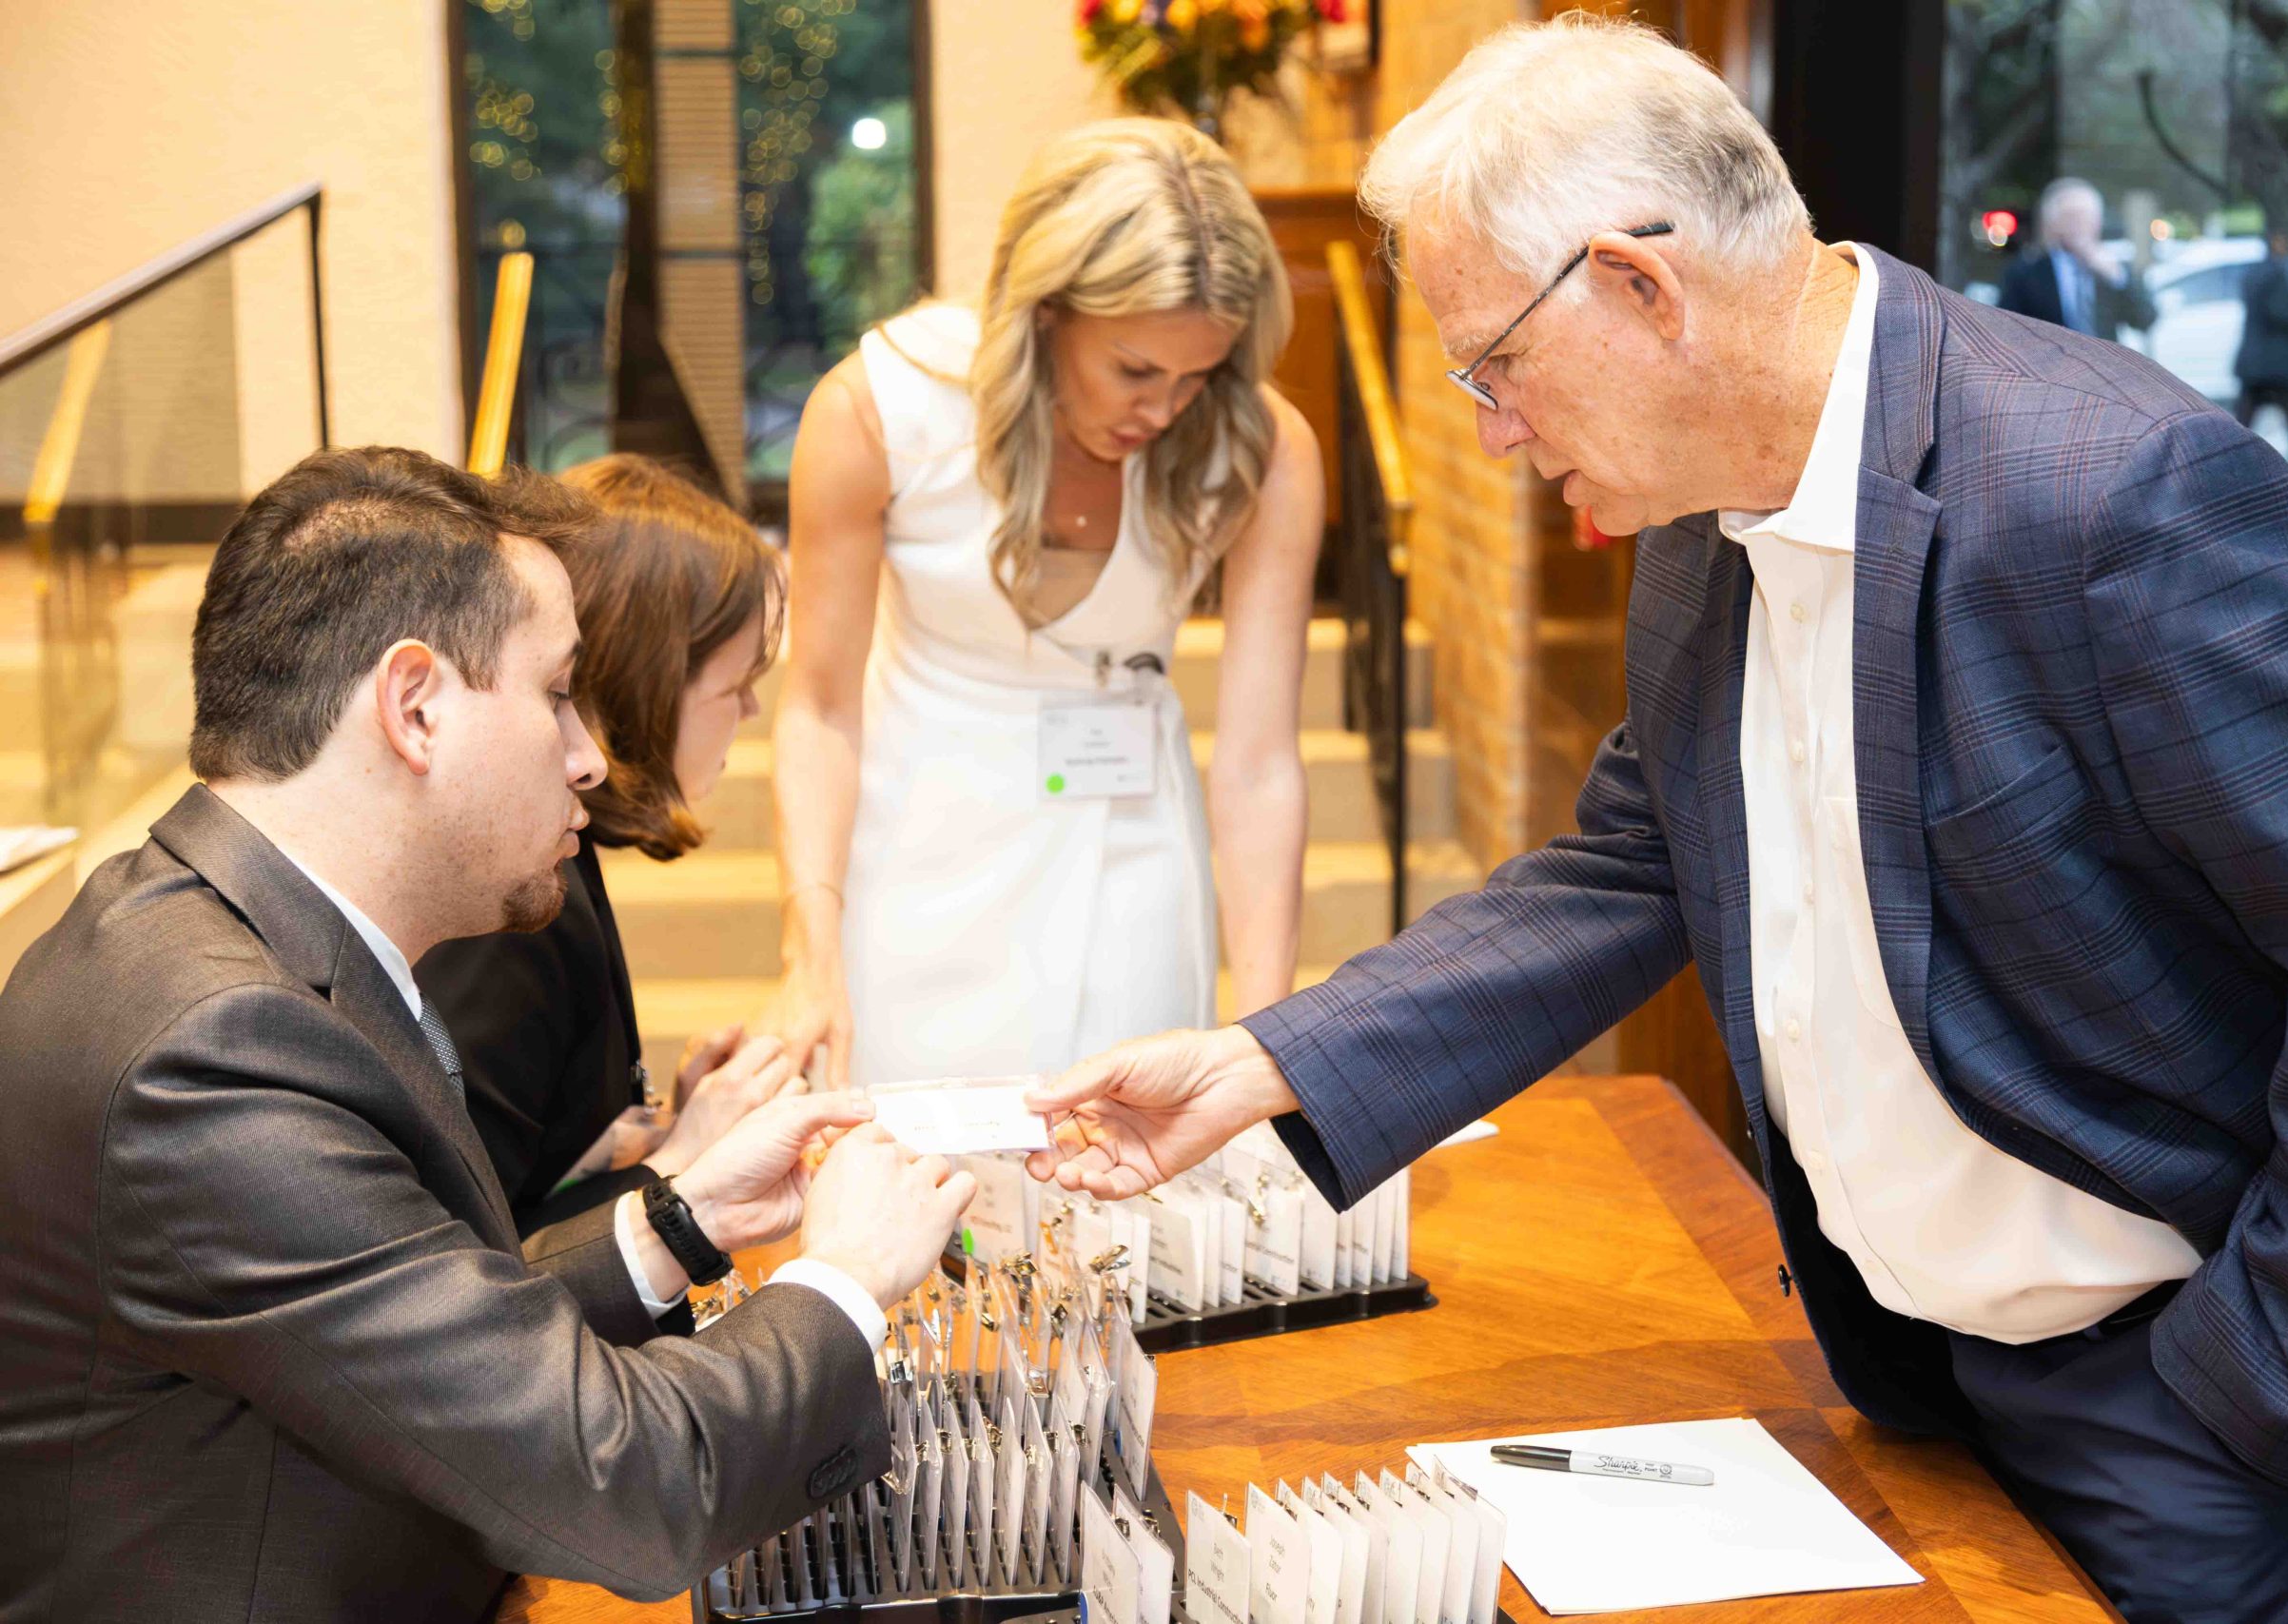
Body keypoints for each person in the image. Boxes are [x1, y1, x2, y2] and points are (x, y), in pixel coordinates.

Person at [1024, 18, 2288, 1623]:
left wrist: (2256, 1386)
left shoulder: (2121, 496)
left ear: (1641, 286)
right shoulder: (1702, 528)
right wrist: (1263, 1061)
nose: (1492, 430)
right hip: (1916, 1374)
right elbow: (1632, 862)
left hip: (2190, 1414)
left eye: (1495, 365)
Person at [0, 447, 976, 1622]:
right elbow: (629, 1489)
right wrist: (846, 1277)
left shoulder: (237, 941)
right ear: (414, 707)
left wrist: (680, 1220)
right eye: (557, 693)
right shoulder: (211, 1056)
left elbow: (430, 1323)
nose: (590, 756)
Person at [764, 117, 1324, 1087]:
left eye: (1197, 377)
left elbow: (1258, 762)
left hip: (1130, 837)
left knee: (1128, 1141)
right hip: (918, 841)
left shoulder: (1262, 448)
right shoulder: (879, 411)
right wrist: (809, 946)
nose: (1164, 410)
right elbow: (818, 710)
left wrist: (1264, 1040)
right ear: (1047, 312)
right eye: (1135, 370)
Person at [420, 454, 797, 1255]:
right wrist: (684, 1156)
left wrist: (668, 1128)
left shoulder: (558, 863)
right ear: (646, 687)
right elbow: (460, 1252)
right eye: (735, 684)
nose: (750, 708)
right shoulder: (512, 912)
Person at [1996, 176, 2156, 342]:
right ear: (2053, 222)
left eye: (2087, 216)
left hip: (2102, 356)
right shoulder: (2026, 270)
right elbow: (2008, 328)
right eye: (2072, 216)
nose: (2080, 224)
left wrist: (2117, 277)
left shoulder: (2114, 265)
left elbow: (2145, 321)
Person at [2234, 232, 2288, 469]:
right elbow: (2280, 313)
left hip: (2254, 357)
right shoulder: (2277, 274)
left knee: (2246, 413)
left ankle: (2233, 455)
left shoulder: (2253, 273)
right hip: (2279, 358)